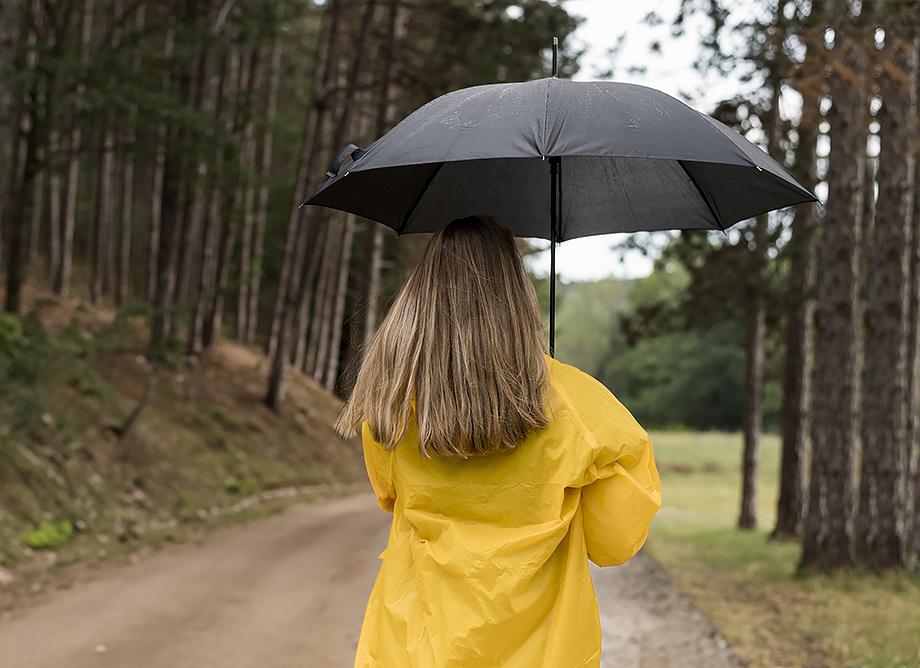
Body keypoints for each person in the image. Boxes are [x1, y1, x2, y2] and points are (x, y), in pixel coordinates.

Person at [335, 215, 661, 668]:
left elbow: (390, 496)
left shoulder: (390, 401)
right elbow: (615, 541)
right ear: (516, 294)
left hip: (411, 646)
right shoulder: (576, 403)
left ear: (422, 296)